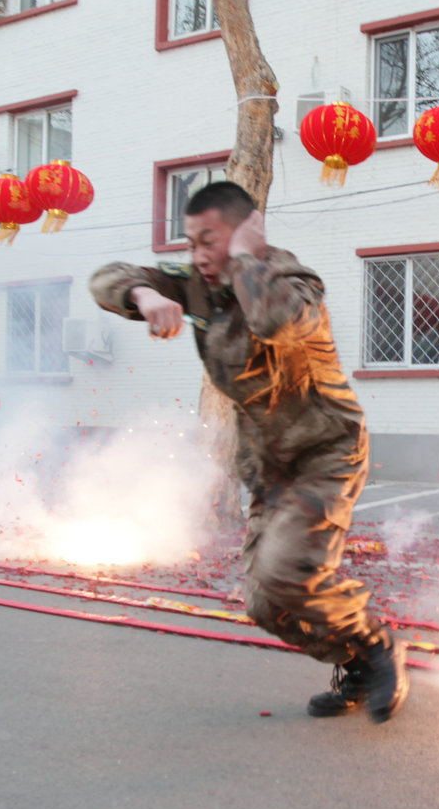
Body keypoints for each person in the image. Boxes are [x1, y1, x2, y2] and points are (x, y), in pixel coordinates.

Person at [89, 182, 407, 721]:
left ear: (242, 233)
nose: (196, 257)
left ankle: (378, 646)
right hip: (268, 467)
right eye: (189, 243)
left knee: (286, 571)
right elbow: (105, 278)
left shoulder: (291, 281)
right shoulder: (198, 285)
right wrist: (144, 295)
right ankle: (355, 661)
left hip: (325, 455)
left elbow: (276, 322)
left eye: (207, 241)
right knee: (263, 604)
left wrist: (241, 259)